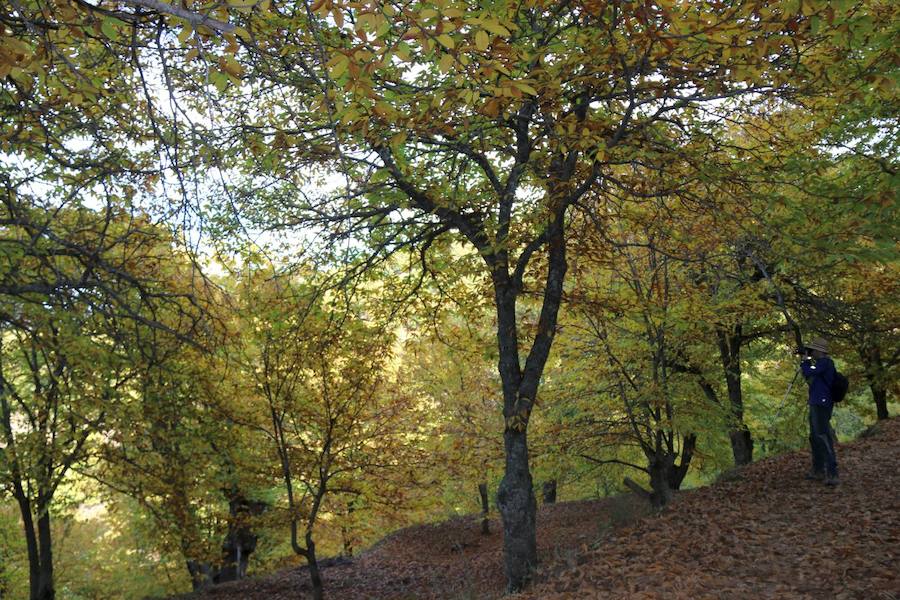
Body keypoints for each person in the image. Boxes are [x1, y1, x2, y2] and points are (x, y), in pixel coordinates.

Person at [800, 337, 838, 486]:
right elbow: (809, 374)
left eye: (812, 350)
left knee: (822, 436)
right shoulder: (821, 364)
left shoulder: (825, 363)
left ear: (818, 351)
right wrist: (807, 360)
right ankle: (819, 469)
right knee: (814, 437)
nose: (811, 352)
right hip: (816, 402)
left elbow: (809, 371)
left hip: (822, 403)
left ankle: (832, 472)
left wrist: (805, 360)